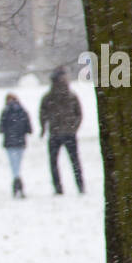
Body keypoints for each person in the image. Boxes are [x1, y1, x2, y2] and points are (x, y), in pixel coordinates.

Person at [39, 66, 85, 195]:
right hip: (65, 133)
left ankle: (60, 188)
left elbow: (43, 114)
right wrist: (74, 127)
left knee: (56, 162)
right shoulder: (68, 95)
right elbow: (79, 114)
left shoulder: (51, 96)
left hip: (58, 133)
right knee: (74, 161)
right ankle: (79, 186)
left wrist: (44, 128)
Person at [0, 93, 32, 198]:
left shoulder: (6, 111)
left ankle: (16, 183)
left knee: (14, 165)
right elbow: (29, 128)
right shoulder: (22, 111)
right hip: (20, 142)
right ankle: (18, 184)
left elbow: (0, 128)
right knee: (18, 164)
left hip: (9, 143)